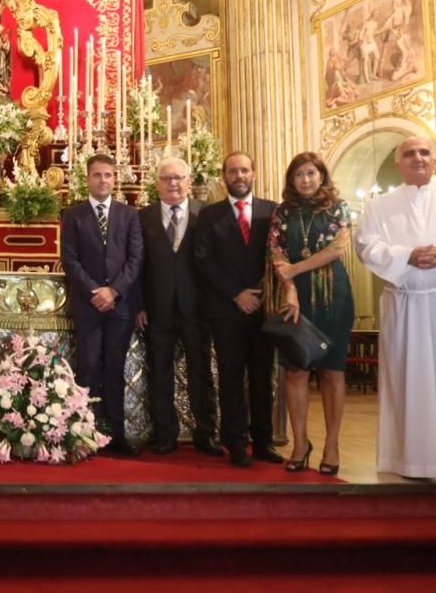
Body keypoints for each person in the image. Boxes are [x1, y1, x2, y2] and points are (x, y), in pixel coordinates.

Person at [355, 137, 436, 486]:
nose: (418, 158)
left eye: (424, 152)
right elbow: (366, 244)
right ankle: (414, 460)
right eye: (409, 154)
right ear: (399, 164)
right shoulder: (379, 206)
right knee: (409, 383)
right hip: (407, 306)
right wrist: (405, 255)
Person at [195, 152, 284, 467]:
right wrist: (236, 294)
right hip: (226, 310)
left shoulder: (272, 212)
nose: (239, 175)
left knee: (262, 379)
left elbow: (279, 256)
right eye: (233, 171)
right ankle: (236, 443)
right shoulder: (209, 216)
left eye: (245, 170)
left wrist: (259, 294)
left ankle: (263, 442)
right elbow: (203, 260)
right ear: (224, 177)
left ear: (254, 173)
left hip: (263, 309)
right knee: (231, 379)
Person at [268, 152, 355, 475]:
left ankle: (332, 444)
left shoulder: (338, 207)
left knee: (333, 370)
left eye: (311, 173)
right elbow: (275, 251)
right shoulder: (282, 211)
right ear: (291, 179)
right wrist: (290, 288)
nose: (305, 179)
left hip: (333, 294)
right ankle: (300, 442)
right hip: (295, 296)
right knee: (296, 370)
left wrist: (295, 270)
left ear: (321, 176)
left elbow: (336, 249)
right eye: (299, 174)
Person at [135, 157, 220, 457]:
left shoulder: (206, 214)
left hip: (197, 309)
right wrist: (139, 305)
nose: (173, 183)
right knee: (159, 373)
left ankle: (206, 433)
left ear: (189, 180)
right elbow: (137, 266)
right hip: (156, 309)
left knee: (201, 373)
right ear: (157, 182)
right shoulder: (142, 217)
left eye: (178, 177)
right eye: (167, 178)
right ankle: (164, 434)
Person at [61, 154, 143, 456]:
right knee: (88, 366)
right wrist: (96, 291)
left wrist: (115, 291)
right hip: (88, 304)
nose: (103, 180)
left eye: (108, 175)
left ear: (114, 178)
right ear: (88, 178)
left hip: (120, 306)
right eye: (97, 175)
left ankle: (117, 434)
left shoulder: (129, 214)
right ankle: (85, 432)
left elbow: (136, 259)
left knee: (114, 368)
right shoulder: (74, 215)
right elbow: (70, 260)